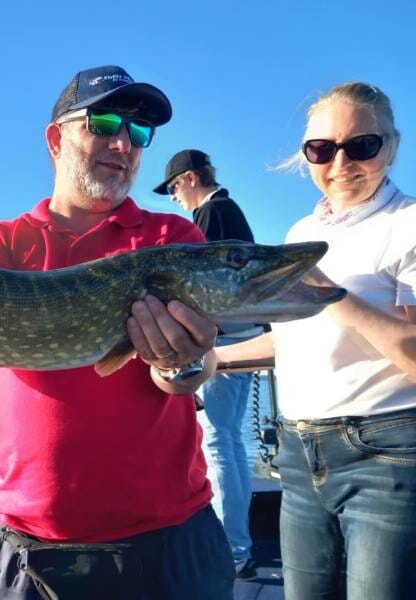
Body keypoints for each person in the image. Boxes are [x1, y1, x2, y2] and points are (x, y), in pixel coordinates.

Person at [0, 65, 235, 598]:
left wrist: (185, 362)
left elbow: (196, 370)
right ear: (56, 139)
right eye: (102, 123)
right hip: (22, 548)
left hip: (171, 540)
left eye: (138, 132)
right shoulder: (2, 242)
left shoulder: (172, 236)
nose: (123, 142)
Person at [217, 82, 416, 599]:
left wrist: (330, 292)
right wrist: (208, 358)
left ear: (391, 146)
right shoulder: (301, 231)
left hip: (386, 454)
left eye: (363, 145)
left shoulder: (408, 224)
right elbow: (294, 343)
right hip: (299, 457)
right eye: (322, 149)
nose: (340, 161)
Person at [153, 149, 261, 578]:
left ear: (191, 178)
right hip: (246, 340)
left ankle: (233, 549)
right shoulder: (226, 210)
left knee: (218, 442)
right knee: (230, 442)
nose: (174, 197)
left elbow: (200, 299)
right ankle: (239, 544)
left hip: (228, 345)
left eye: (175, 187)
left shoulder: (212, 214)